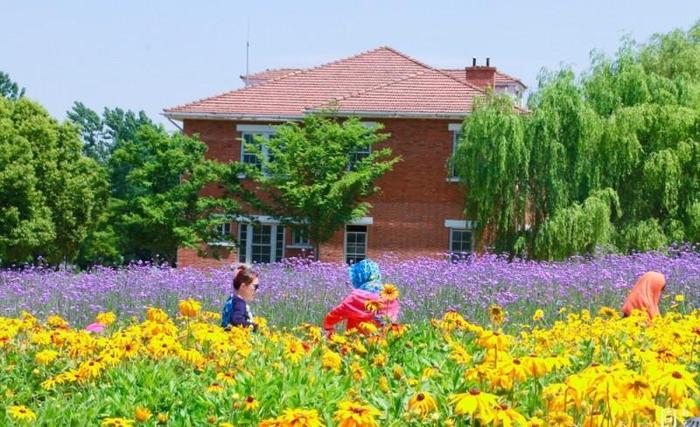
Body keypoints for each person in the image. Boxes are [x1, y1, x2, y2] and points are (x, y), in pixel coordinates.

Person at [323, 259, 400, 336]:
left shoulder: (356, 297)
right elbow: (392, 319)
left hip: (357, 342)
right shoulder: (390, 297)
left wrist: (328, 326)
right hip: (384, 342)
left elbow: (336, 314)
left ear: (357, 277)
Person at [221, 265, 259, 331]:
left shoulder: (232, 299)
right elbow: (236, 320)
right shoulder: (239, 303)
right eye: (255, 286)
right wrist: (252, 325)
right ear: (243, 286)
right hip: (236, 338)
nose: (256, 290)